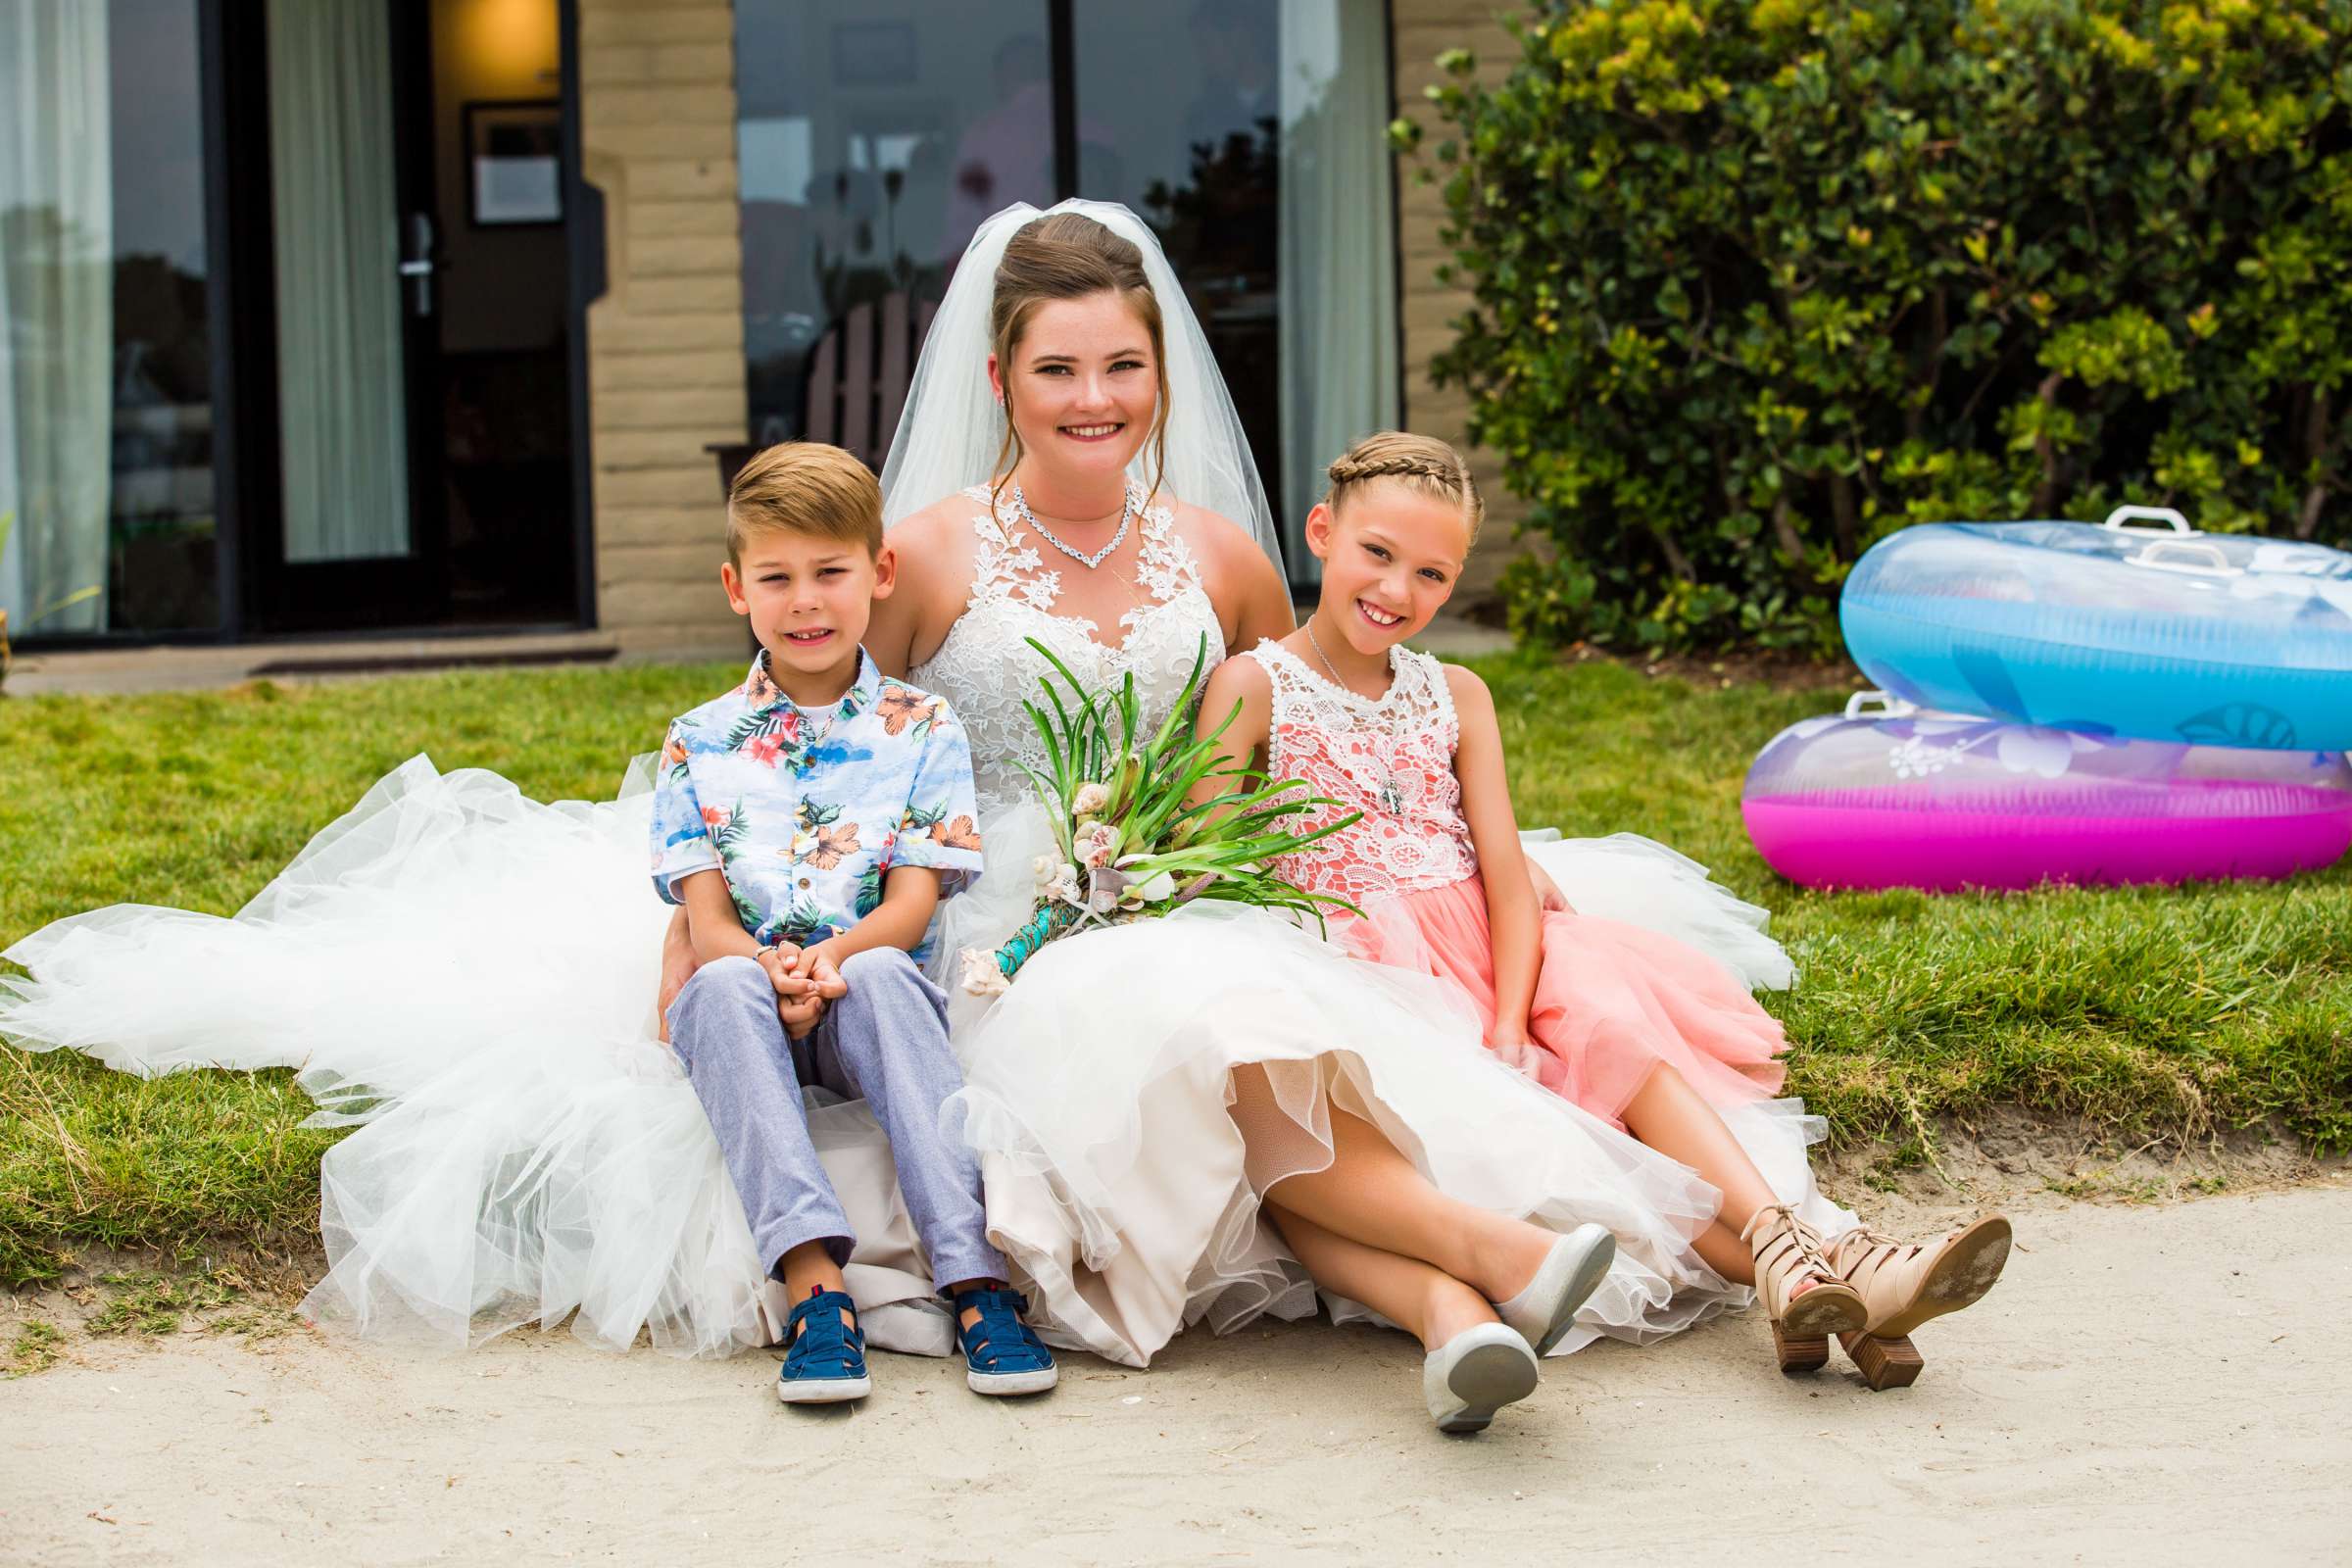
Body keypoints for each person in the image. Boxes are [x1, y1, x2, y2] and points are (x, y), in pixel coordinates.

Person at [743, 202, 1834, 1433]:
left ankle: (1494, 1300)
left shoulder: (1222, 560)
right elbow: (824, 751)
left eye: (1123, 366)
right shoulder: (926, 555)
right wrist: (807, 928)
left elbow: (1316, 725)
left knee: (1271, 1032)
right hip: (1001, 923)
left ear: (1163, 373)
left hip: (1192, 892)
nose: (1093, 396)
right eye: (1057, 368)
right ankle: (1507, 1257)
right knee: (1201, 1020)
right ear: (999, 378)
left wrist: (1472, 853)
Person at [1200, 431, 2014, 1388]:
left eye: (1430, 573)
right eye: (1376, 554)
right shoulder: (1255, 684)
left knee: (1598, 1011)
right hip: (1373, 965)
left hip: (1491, 944)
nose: (1395, 590)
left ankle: (1791, 1246)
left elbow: (1504, 869)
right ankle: (1838, 1289)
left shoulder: (1456, 691)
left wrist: (1508, 1015)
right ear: (1322, 532)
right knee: (1607, 1153)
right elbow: (1218, 862)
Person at [653, 441, 1055, 1402]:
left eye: (831, 572)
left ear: (878, 575)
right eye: (777, 577)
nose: (806, 601)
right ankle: (815, 1288)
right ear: (735, 587)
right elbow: (705, 915)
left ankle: (972, 1281)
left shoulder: (923, 726)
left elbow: (913, 901)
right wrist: (767, 969)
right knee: (713, 984)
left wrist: (829, 959)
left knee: (881, 976)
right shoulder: (698, 741)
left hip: (869, 984)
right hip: (750, 995)